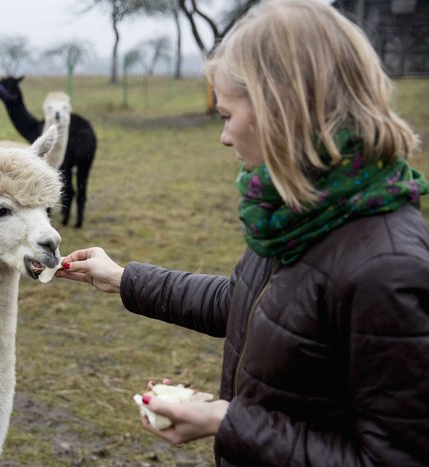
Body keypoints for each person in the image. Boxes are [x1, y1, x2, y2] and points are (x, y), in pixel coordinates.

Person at [55, 0, 429, 465]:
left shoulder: (386, 268)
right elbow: (249, 303)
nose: (224, 137)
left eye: (227, 115)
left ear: (281, 112)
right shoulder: (300, 213)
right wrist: (121, 278)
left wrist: (225, 422)